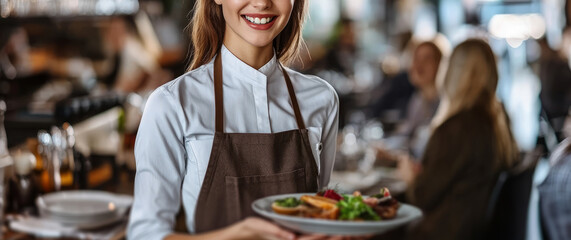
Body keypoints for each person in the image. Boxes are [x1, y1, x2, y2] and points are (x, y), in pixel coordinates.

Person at [127, 0, 339, 239]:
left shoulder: (321, 99)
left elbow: (321, 213)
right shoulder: (172, 104)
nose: (261, 3)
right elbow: (145, 234)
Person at [401, 39, 519, 240]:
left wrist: (409, 176)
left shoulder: (456, 129)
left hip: (444, 232)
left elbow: (422, 196)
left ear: (453, 72)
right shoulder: (498, 119)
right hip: (475, 230)